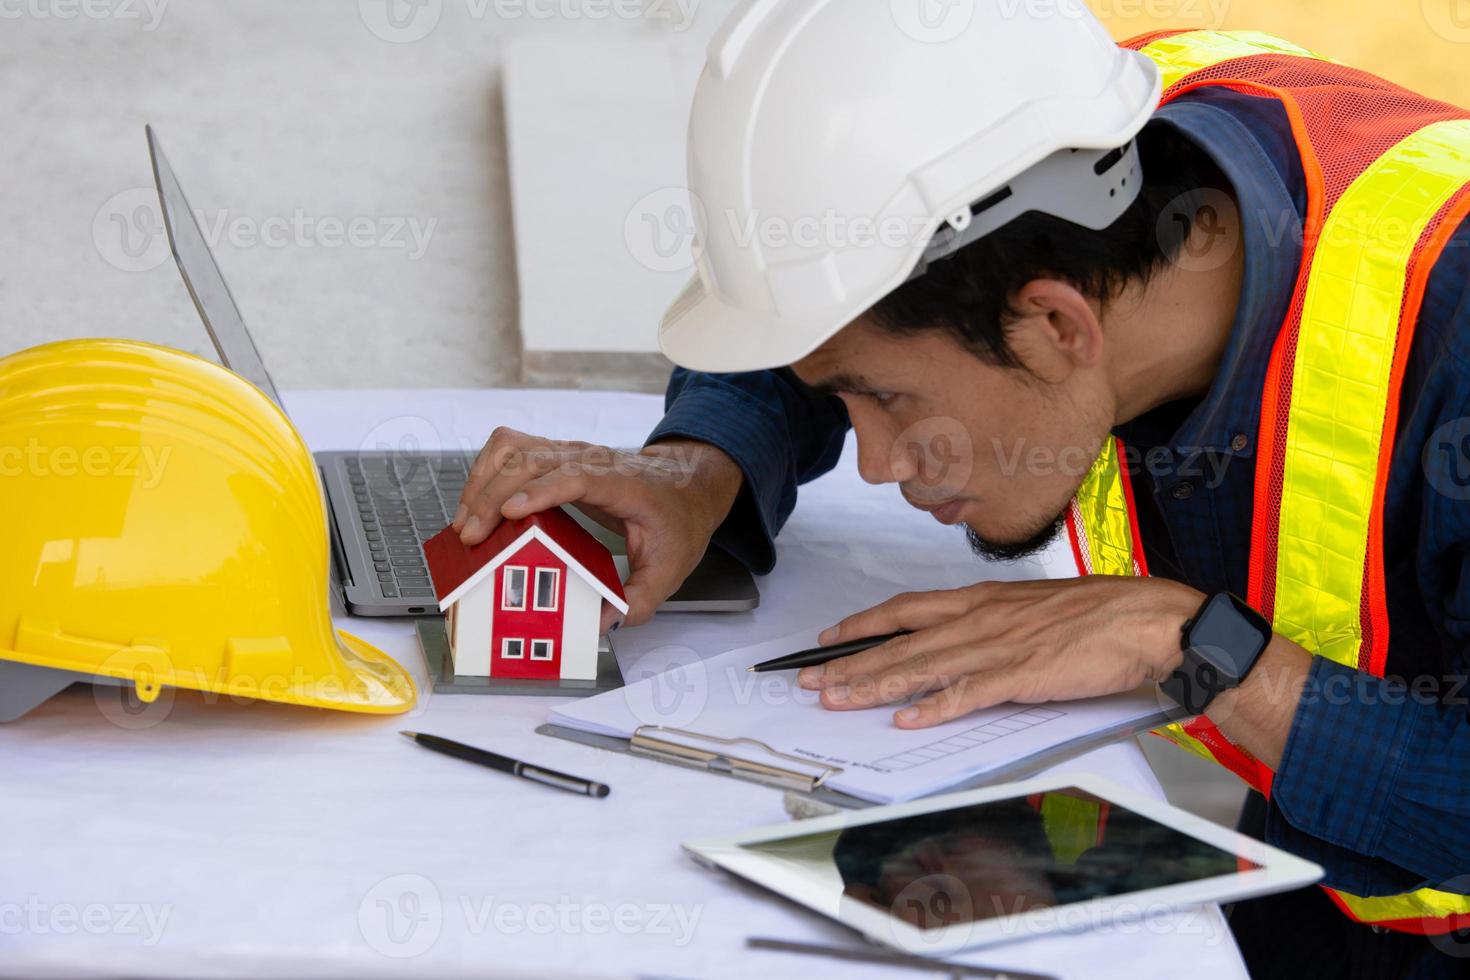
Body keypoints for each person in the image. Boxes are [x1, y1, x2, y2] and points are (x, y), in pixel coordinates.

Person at [452, 4, 1470, 975]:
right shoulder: (1067, 145)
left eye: (889, 401)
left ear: (1058, 327)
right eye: (851, 399)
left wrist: (1193, 644)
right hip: (1339, 875)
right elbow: (839, 313)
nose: (879, 460)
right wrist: (697, 465)